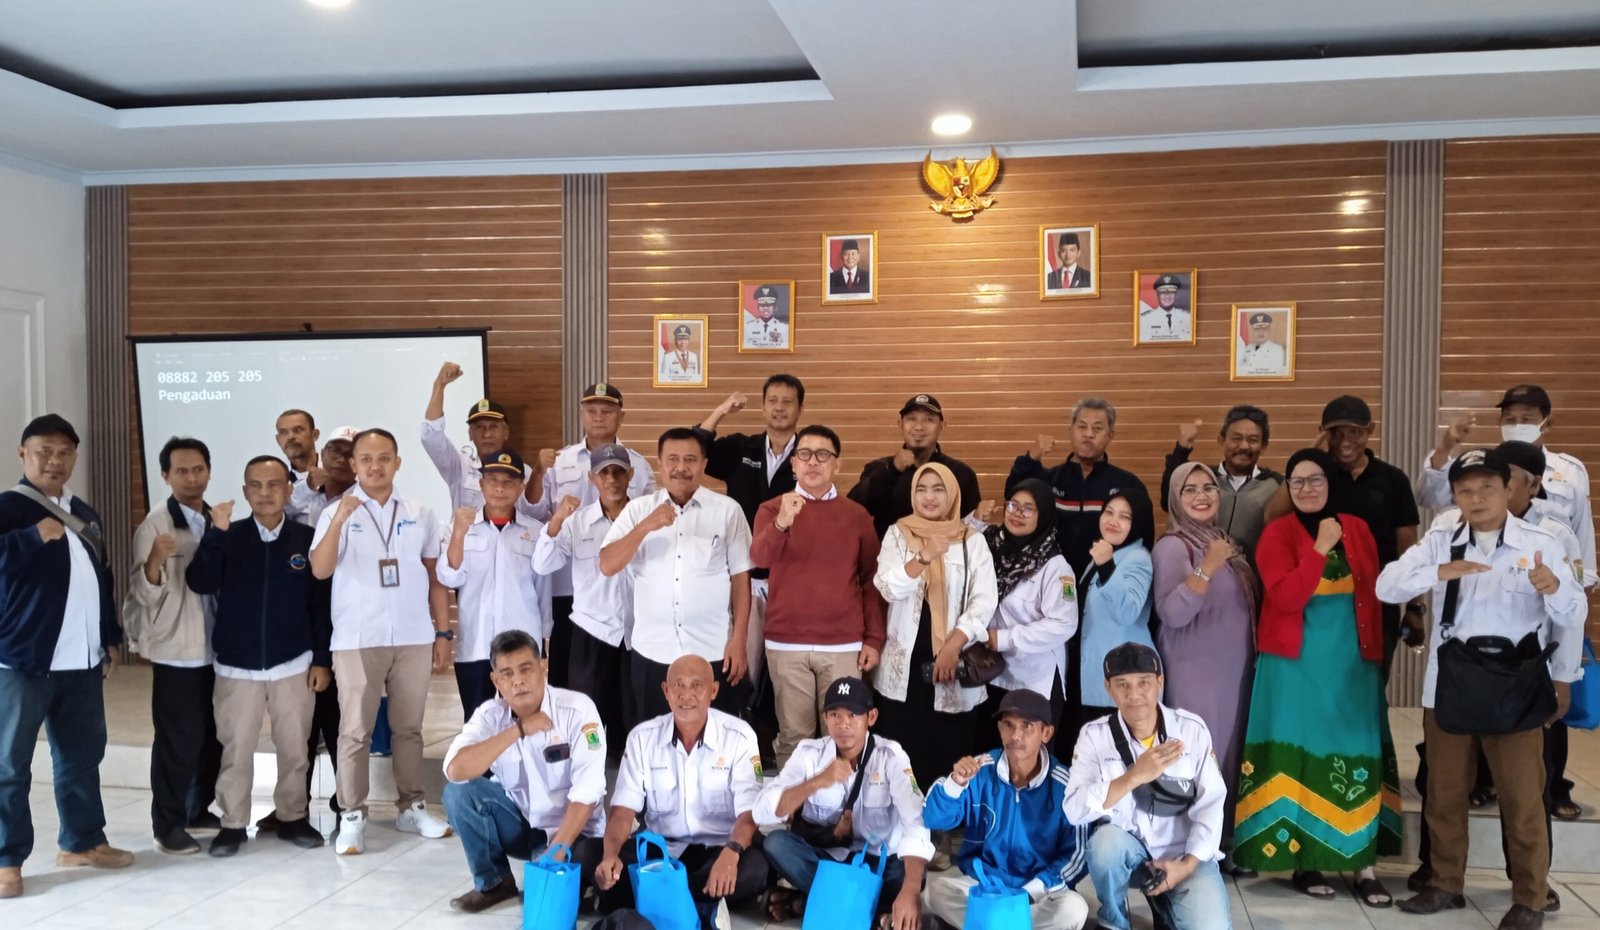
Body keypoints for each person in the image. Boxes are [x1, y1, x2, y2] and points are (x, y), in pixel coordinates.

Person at [1377, 448, 1584, 930]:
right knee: (1444, 794)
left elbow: (1574, 614)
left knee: (1523, 798)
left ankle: (1530, 897)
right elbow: (1386, 586)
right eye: (1465, 490)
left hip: (1516, 687)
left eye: (1487, 487)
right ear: (1454, 496)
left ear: (1507, 489)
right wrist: (1437, 573)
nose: (1476, 498)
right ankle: (1445, 884)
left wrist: (1553, 587)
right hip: (1450, 685)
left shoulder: (1543, 540)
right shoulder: (1442, 537)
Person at [1233, 449, 1401, 904]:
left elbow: (1376, 593)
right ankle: (1305, 862)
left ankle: (1364, 865)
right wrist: (1320, 548)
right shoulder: (1277, 533)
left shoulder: (1358, 528)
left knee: (1358, 751)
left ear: (1331, 483)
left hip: (1352, 664)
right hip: (1295, 668)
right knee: (1301, 759)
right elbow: (1286, 597)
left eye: (1316, 480)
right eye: (1297, 481)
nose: (1306, 489)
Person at [0, 414, 133, 899]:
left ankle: (81, 841)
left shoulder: (84, 512)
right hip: (22, 660)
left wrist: (110, 637)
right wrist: (31, 538)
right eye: (44, 451)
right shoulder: (9, 507)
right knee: (9, 764)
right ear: (23, 454)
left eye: (64, 452)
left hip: (82, 660)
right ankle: (6, 860)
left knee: (81, 755)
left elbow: (103, 577)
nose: (54, 461)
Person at [310, 428, 453, 854]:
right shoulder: (335, 512)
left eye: (384, 458)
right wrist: (339, 520)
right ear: (354, 465)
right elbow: (320, 570)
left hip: (412, 635)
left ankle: (412, 807)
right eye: (367, 459)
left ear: (397, 463)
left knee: (408, 728)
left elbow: (436, 578)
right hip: (358, 636)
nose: (376, 466)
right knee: (355, 730)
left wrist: (443, 632)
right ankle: (352, 815)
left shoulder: (420, 512)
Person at [184, 455, 332, 856]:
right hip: (236, 665)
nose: (265, 493)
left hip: (294, 663)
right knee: (235, 749)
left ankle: (292, 817)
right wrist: (215, 535)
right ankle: (232, 823)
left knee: (295, 747)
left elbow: (321, 605)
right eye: (256, 485)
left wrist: (321, 659)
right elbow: (200, 581)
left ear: (288, 489)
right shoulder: (228, 536)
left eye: (274, 484)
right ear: (245, 491)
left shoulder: (306, 539)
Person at [1066, 643, 1232, 930]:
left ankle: (1166, 906)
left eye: (1144, 683)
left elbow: (1211, 806)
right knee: (1104, 844)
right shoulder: (1094, 736)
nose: (1134, 695)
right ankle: (1113, 921)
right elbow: (1074, 810)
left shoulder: (1191, 730)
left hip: (1185, 856)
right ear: (1108, 688)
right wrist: (1133, 776)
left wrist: (1187, 865)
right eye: (1122, 684)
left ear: (1160, 682)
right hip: (1131, 857)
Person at [595, 656, 769, 928]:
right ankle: (698, 906)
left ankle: (656, 898)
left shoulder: (739, 736)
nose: (686, 694)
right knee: (593, 857)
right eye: (678, 685)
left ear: (713, 691)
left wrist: (732, 852)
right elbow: (623, 810)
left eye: (696, 685)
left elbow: (749, 812)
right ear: (666, 691)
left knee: (755, 870)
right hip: (662, 851)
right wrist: (610, 856)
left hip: (718, 848)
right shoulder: (642, 737)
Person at [441, 629, 607, 913]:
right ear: (495, 680)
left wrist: (557, 850)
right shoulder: (490, 716)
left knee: (558, 904)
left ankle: (578, 881)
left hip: (574, 833)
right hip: (522, 826)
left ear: (543, 666)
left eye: (525, 669)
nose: (517, 680)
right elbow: (454, 769)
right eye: (506, 674)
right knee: (459, 793)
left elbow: (587, 792)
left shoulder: (578, 710)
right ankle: (494, 883)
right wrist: (518, 730)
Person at [751, 424, 885, 768]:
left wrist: (873, 639)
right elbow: (760, 559)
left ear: (837, 464)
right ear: (793, 463)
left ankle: (840, 801)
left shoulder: (857, 516)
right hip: (786, 642)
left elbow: (871, 581)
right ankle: (794, 803)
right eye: (805, 454)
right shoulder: (772, 509)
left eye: (823, 454)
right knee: (794, 737)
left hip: (843, 644)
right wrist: (782, 522)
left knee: (842, 738)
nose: (813, 462)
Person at [1267, 394, 1424, 683]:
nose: (1345, 441)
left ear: (1371, 430)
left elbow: (1408, 549)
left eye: (1355, 432)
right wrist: (1309, 456)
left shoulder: (1393, 480)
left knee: (1369, 685)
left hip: (1378, 600)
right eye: (1336, 433)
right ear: (1323, 433)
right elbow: (1273, 517)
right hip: (1319, 603)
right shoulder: (1316, 477)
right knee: (1320, 687)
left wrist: (1415, 605)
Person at [600, 428, 753, 722]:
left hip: (713, 649)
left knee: (717, 735)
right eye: (672, 459)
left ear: (704, 464)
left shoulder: (727, 511)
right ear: (659, 463)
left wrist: (739, 640)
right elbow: (607, 565)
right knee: (652, 735)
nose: (681, 467)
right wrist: (646, 526)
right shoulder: (639, 510)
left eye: (690, 460)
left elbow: (740, 579)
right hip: (653, 650)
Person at [754, 677, 932, 928]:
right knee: (776, 844)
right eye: (835, 714)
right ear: (825, 718)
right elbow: (763, 812)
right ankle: (876, 915)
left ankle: (811, 902)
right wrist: (818, 781)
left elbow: (916, 822)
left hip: (877, 862)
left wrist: (910, 892)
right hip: (828, 861)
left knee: (910, 874)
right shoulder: (809, 753)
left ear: (871, 717)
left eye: (853, 715)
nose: (843, 724)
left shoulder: (891, 756)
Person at [1152, 461, 1257, 871]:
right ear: (1176, 498)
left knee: (1227, 756)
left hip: (1232, 669)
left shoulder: (1223, 541)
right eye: (1190, 489)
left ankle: (1220, 842)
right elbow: (1173, 612)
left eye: (1209, 487)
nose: (1201, 495)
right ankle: (1190, 850)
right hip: (1194, 669)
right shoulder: (1174, 546)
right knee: (1198, 757)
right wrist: (1208, 566)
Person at [124, 436, 225, 854]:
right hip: (177, 651)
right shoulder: (155, 525)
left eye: (198, 469)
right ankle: (167, 825)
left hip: (217, 651)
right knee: (177, 741)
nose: (191, 478)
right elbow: (141, 594)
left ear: (209, 472)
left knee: (211, 737)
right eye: (181, 471)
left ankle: (197, 808)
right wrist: (153, 560)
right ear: (165, 475)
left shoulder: (217, 519)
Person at [870, 462, 998, 790]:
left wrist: (953, 646)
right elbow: (887, 587)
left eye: (938, 489)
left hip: (953, 663)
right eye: (922, 489)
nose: (929, 497)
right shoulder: (898, 534)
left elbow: (984, 600)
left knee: (948, 751)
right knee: (899, 755)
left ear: (952, 495)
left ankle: (943, 813)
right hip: (904, 667)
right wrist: (923, 557)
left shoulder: (972, 540)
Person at [258, 424, 357, 836]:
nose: (339, 458)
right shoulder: (298, 493)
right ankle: (291, 805)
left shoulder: (368, 501)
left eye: (348, 452)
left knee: (339, 720)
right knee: (299, 723)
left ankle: (347, 802)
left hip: (348, 622)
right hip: (303, 616)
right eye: (333, 450)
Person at [523, 382, 655, 689]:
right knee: (573, 685)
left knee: (629, 694)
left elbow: (650, 517)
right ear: (582, 414)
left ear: (621, 416)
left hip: (625, 592)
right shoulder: (561, 460)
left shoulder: (638, 464)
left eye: (607, 411)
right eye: (591, 410)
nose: (598, 417)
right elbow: (533, 511)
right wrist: (539, 472)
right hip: (568, 586)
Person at [923, 689, 1090, 929]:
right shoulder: (979, 770)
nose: (1015, 735)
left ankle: (987, 922)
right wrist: (955, 783)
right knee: (936, 891)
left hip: (1037, 893)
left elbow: (1077, 855)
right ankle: (1010, 923)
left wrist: (1030, 892)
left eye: (1026, 726)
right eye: (1008, 725)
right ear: (999, 728)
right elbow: (933, 818)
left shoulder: (1066, 785)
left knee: (1074, 909)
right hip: (985, 885)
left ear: (1046, 733)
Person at [694, 375, 804, 711]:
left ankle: (775, 731)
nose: (779, 407)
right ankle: (741, 724)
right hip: (742, 576)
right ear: (763, 406)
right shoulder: (743, 448)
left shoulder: (808, 454)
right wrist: (722, 410)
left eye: (787, 401)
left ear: (800, 408)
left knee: (786, 669)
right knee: (742, 663)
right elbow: (697, 447)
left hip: (790, 578)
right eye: (772, 400)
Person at [1417, 385, 1594, 589]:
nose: (1517, 426)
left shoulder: (1570, 471)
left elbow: (1583, 538)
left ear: (1546, 424)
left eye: (1526, 419)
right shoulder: (1482, 468)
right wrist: (1444, 448)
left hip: (1550, 580)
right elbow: (1429, 498)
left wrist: (1584, 590)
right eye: (1510, 419)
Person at [533, 443, 637, 752]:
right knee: (587, 725)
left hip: (636, 636)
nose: (612, 479)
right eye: (604, 473)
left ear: (630, 475)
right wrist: (555, 521)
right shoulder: (577, 522)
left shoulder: (645, 518)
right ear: (592, 478)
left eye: (618, 472)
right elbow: (542, 564)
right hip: (592, 633)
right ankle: (588, 780)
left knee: (631, 725)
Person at [437, 449, 552, 721]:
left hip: (523, 647)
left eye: (509, 482)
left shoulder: (536, 532)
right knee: (478, 722)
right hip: (476, 645)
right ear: (481, 484)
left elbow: (543, 592)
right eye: (493, 481)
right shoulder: (460, 527)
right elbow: (449, 577)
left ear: (521, 487)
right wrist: (459, 533)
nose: (500, 488)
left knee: (526, 721)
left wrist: (544, 646)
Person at [971, 478, 1076, 752]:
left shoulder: (1054, 566)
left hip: (1034, 680)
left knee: (1027, 760)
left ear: (1044, 515)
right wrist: (975, 519)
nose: (1017, 513)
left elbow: (1064, 623)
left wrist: (1005, 638)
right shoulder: (992, 548)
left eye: (1028, 509)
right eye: (1013, 505)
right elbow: (958, 545)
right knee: (990, 757)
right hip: (992, 675)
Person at [1008, 396, 1155, 575]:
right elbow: (1012, 495)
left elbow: (1143, 543)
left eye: (1098, 428)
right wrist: (1031, 458)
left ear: (1111, 435)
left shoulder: (1128, 486)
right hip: (1051, 579)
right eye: (1082, 426)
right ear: (1071, 431)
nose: (1088, 434)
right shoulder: (1049, 479)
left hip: (1103, 582)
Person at [848, 393, 982, 539]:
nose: (918, 426)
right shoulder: (879, 468)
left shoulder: (961, 473)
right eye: (911, 419)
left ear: (942, 426)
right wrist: (891, 470)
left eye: (928, 419)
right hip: (889, 552)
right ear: (900, 424)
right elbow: (851, 511)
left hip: (944, 552)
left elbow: (971, 531)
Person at [1077, 489, 1156, 725]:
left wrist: (1106, 567)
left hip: (1122, 681)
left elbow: (1127, 611)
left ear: (1137, 522)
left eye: (1125, 517)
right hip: (1095, 676)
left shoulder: (1138, 558)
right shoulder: (1106, 552)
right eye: (1109, 512)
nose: (1113, 521)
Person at [1159, 406, 1282, 556]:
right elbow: (1168, 502)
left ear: (1264, 446)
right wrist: (1182, 449)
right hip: (1200, 567)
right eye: (1236, 438)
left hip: (1250, 570)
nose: (1244, 446)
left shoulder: (1276, 485)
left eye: (1253, 440)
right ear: (1221, 440)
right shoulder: (1204, 477)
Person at [421, 361, 534, 511]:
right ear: (470, 434)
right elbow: (432, 436)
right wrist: (439, 385)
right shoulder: (460, 466)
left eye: (493, 427)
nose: (487, 434)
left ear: (506, 432)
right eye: (479, 427)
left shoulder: (524, 472)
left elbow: (535, 514)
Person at [275, 408, 324, 524]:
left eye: (298, 430)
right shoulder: (276, 484)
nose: (290, 437)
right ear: (278, 440)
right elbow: (273, 512)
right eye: (284, 432)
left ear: (315, 435)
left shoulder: (339, 471)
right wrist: (309, 485)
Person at [1138, 274, 1192, 342]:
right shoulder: (1145, 319)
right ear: (1157, 294)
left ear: (1176, 295)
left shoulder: (1187, 317)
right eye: (1163, 292)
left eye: (1171, 292)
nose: (1167, 296)